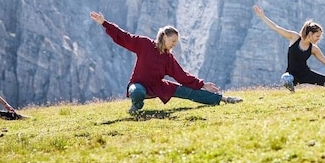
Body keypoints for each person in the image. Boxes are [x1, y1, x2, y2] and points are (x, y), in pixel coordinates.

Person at [90, 11, 241, 113]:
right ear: (164, 36)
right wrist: (104, 23)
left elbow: (183, 77)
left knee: (188, 92)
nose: (174, 44)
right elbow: (124, 37)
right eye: (173, 41)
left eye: (176, 42)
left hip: (159, 87)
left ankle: (224, 99)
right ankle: (136, 106)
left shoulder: (168, 58)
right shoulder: (144, 44)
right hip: (139, 84)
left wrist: (202, 84)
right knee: (136, 92)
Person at [252, 5, 325, 92]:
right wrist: (262, 16)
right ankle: (292, 94)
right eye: (317, 36)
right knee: (285, 79)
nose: (319, 39)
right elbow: (276, 28)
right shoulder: (294, 37)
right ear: (310, 34)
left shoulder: (313, 49)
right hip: (292, 75)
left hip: (306, 74)